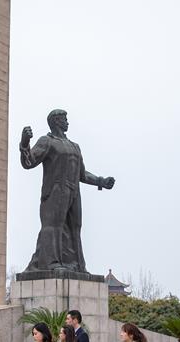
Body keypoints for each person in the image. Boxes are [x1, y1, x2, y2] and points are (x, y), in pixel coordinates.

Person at [19, 109, 115, 272]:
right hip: (55, 190)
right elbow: (29, 162)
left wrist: (101, 181)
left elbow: (82, 174)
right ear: (56, 121)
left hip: (73, 191)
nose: (68, 122)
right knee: (53, 226)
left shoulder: (75, 146)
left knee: (74, 227)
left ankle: (77, 265)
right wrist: (25, 143)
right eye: (65, 119)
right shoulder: (47, 141)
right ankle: (51, 263)